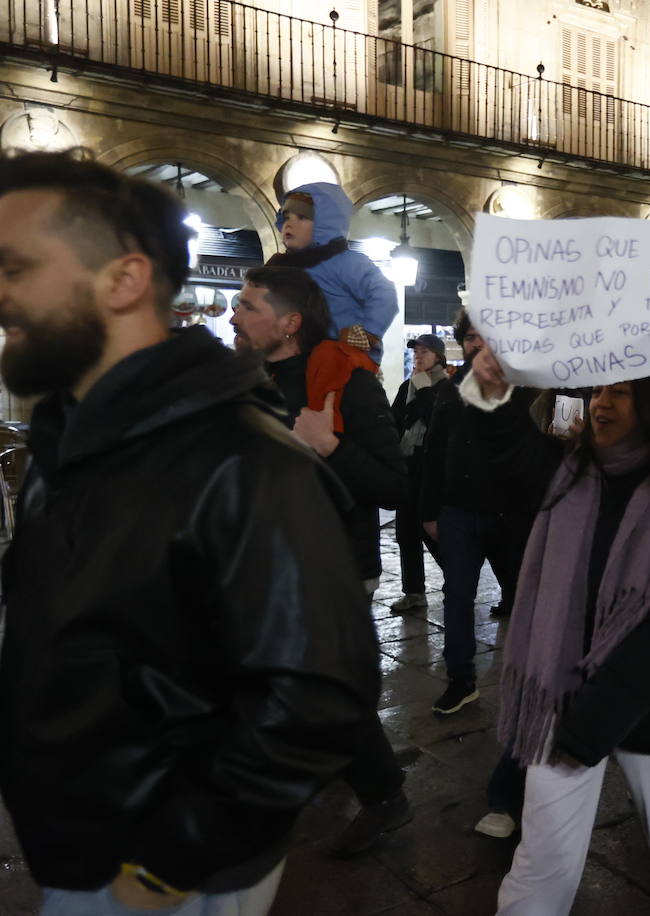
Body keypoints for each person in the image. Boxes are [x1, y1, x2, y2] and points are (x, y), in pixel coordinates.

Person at [0, 151, 379, 915]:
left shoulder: (244, 461)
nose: (3, 296)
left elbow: (315, 699)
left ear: (124, 279)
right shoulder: (66, 443)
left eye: (18, 267)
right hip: (83, 839)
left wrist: (170, 866)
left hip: (157, 873)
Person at [463, 349, 650, 915]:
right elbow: (504, 451)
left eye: (621, 393)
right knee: (541, 857)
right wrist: (487, 391)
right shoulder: (570, 469)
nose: (602, 403)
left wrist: (593, 726)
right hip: (558, 700)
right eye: (599, 391)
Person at [230, 266, 413, 858]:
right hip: (257, 560)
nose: (235, 315)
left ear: (289, 323)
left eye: (248, 306)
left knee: (322, 688)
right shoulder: (241, 382)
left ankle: (385, 795)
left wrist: (329, 445)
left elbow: (395, 484)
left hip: (327, 563)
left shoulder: (346, 380)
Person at [420, 309, 534, 715]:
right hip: (459, 512)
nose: (477, 343)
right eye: (470, 337)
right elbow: (433, 451)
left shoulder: (524, 387)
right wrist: (429, 511)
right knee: (457, 596)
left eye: (486, 336)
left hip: (510, 514)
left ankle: (530, 680)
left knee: (524, 600)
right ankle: (460, 680)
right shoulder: (450, 390)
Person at [266, 182, 398, 363]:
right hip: (299, 356)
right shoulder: (279, 268)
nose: (290, 224)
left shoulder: (347, 262)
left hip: (344, 355)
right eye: (286, 217)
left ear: (325, 224)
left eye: (302, 217)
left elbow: (384, 293)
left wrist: (369, 332)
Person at [389, 333, 448, 612]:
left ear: (438, 356)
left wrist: (425, 390)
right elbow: (395, 421)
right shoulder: (407, 386)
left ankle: (456, 580)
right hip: (408, 467)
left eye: (425, 351)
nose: (419, 356)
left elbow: (438, 423)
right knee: (405, 532)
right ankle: (413, 592)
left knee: (431, 530)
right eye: (416, 352)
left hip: (432, 468)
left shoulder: (447, 388)